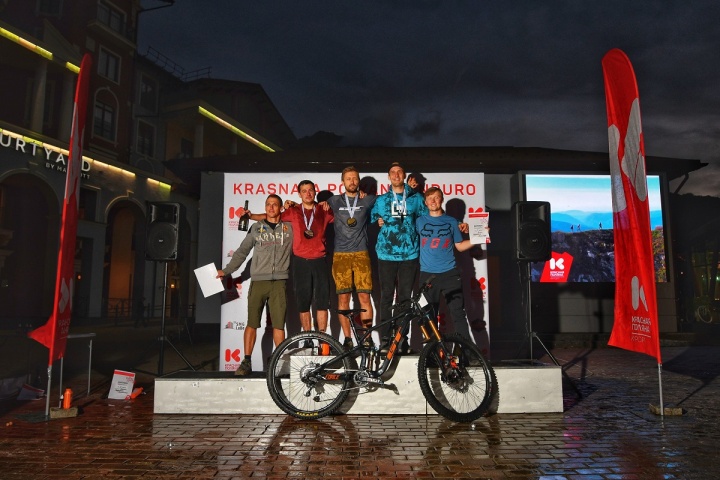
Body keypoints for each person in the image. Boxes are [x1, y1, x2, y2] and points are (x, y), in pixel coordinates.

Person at [216, 194, 293, 375]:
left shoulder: (289, 227)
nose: (271, 207)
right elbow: (242, 252)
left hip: (279, 282)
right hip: (258, 282)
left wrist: (294, 205)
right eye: (268, 204)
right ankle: (246, 361)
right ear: (265, 207)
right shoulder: (256, 228)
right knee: (252, 322)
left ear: (281, 208)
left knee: (279, 325)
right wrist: (226, 271)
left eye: (275, 204)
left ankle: (279, 363)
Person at [371, 162, 427, 352]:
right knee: (386, 297)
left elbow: (430, 216)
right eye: (393, 172)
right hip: (386, 254)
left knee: (405, 299)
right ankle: (386, 340)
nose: (396, 175)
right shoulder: (381, 200)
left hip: (409, 254)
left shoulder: (416, 198)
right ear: (388, 177)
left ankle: (401, 339)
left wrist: (457, 223)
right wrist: (377, 220)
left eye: (399, 172)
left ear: (404, 176)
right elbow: (369, 218)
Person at [325, 166, 377, 350]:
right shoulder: (333, 200)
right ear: (343, 182)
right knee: (343, 299)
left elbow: (389, 201)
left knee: (364, 297)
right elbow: (314, 205)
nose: (352, 182)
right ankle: (347, 339)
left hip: (361, 254)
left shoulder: (368, 200)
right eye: (348, 179)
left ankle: (367, 338)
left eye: (355, 178)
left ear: (359, 181)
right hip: (340, 256)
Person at [416, 187, 477, 340]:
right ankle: (432, 353)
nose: (433, 201)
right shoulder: (419, 221)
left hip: (450, 274)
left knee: (458, 314)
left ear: (442, 200)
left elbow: (460, 246)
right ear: (425, 202)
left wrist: (480, 237)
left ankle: (466, 351)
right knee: (428, 316)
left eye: (436, 197)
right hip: (427, 275)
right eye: (430, 198)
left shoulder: (452, 222)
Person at [277, 180, 334, 334]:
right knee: (303, 303)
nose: (308, 194)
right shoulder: (293, 210)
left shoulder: (324, 210)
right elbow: (272, 216)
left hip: (320, 260)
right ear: (299, 194)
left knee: (322, 302)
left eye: (310, 190)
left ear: (315, 192)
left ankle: (323, 340)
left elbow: (346, 218)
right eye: (304, 191)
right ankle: (308, 338)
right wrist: (250, 216)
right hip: (300, 262)